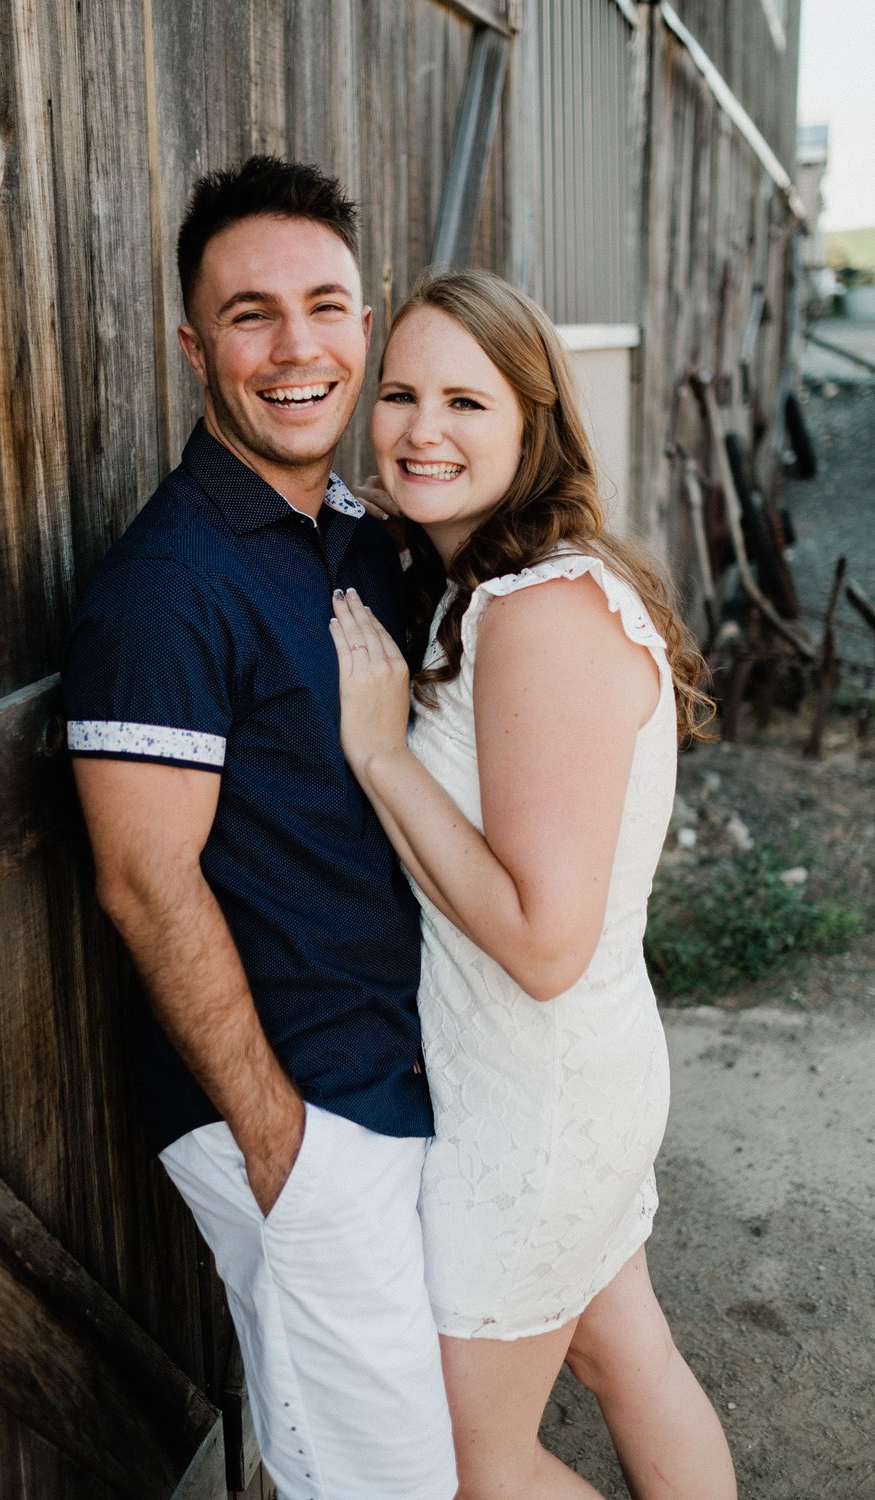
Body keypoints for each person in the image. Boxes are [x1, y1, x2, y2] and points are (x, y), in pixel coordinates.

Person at [61, 158, 457, 1500]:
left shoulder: (363, 537)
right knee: (378, 1481)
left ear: (367, 324)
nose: (296, 347)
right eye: (250, 314)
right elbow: (142, 881)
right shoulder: (169, 586)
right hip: (304, 1124)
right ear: (194, 345)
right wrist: (282, 1145)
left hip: (405, 1085)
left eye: (327, 306)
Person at [331, 268, 738, 1500]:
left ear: (533, 425)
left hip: (538, 1103)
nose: (421, 429)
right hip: (569, 1072)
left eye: (466, 400)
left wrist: (380, 754)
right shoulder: (498, 590)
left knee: (471, 1462)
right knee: (627, 1356)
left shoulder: (541, 612)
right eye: (400, 394)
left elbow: (543, 940)